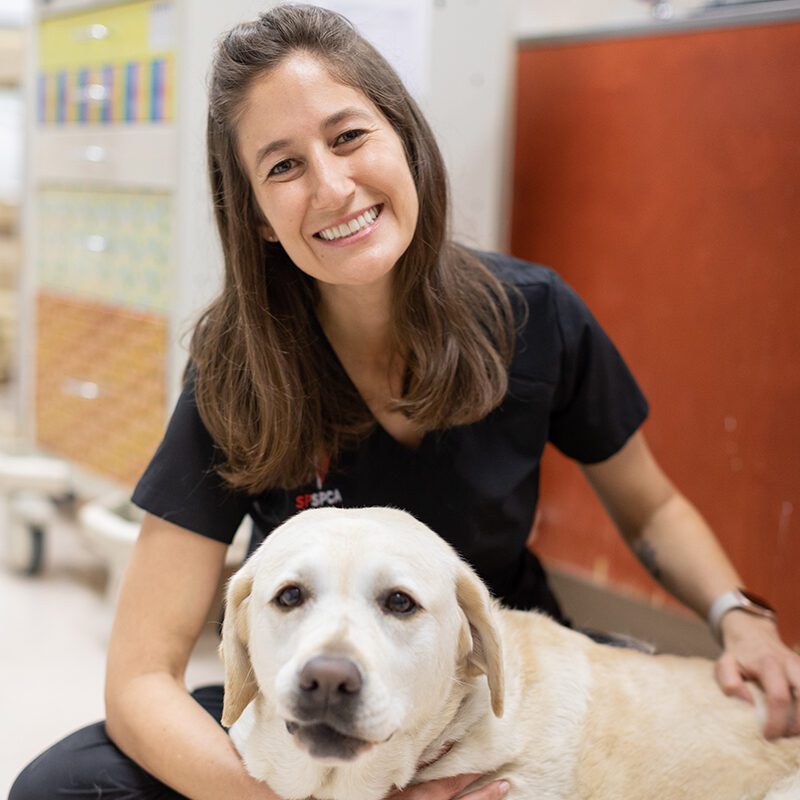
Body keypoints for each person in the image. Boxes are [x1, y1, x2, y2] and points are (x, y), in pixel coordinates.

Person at [10, 5, 799, 800]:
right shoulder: (236, 371)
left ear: (406, 141)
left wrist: (740, 616)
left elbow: (652, 510)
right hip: (315, 694)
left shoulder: (533, 316)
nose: (331, 185)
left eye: (349, 137)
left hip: (493, 693)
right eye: (283, 167)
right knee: (63, 788)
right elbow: (140, 678)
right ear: (256, 216)